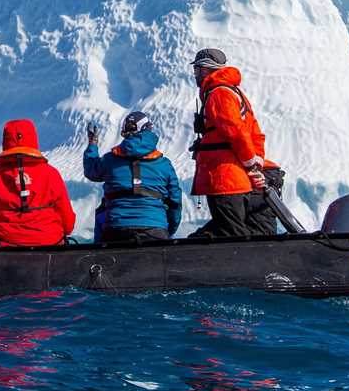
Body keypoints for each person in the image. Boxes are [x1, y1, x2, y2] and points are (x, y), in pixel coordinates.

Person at [188, 47, 278, 238]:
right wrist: (257, 161)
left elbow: (234, 130)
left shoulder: (218, 93)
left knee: (230, 232)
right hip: (235, 177)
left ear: (204, 69)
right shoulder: (234, 92)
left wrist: (250, 163)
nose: (194, 74)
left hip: (224, 176)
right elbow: (254, 132)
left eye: (196, 69)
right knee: (233, 230)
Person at [0, 119, 75, 248]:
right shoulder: (51, 174)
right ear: (33, 139)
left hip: (4, 244)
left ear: (6, 141)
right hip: (50, 242)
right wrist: (65, 230)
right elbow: (66, 215)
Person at [83, 110, 182, 245]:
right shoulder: (164, 164)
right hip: (155, 229)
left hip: (116, 228)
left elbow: (91, 170)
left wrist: (93, 144)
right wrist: (167, 229)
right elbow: (175, 201)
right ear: (147, 129)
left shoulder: (110, 160)